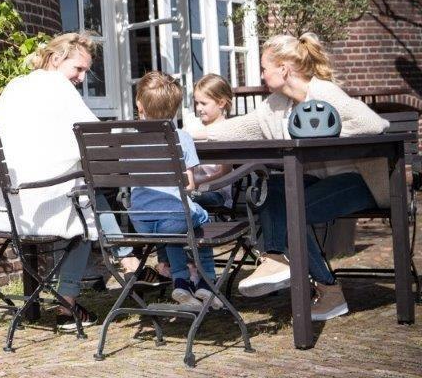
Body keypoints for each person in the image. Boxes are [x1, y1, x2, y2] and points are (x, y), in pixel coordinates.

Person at [190, 33, 389, 320]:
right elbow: (243, 126)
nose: (261, 75)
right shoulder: (276, 104)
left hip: (357, 181)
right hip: (317, 180)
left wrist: (321, 133)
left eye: (264, 68)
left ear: (283, 69)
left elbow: (373, 124)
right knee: (272, 188)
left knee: (292, 210)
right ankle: (276, 259)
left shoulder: (324, 93)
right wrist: (193, 134)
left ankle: (328, 291)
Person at [0, 32, 136, 329]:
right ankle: (73, 300)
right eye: (79, 68)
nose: (82, 78)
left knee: (82, 196)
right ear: (57, 58)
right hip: (42, 204)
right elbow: (94, 136)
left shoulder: (14, 86)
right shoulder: (58, 87)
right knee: (86, 204)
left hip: (7, 207)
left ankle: (126, 261)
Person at [129, 71, 222, 310]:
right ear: (175, 109)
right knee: (198, 219)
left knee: (173, 228)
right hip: (174, 219)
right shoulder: (181, 137)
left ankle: (181, 281)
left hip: (140, 222)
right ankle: (207, 281)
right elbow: (188, 184)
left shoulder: (130, 142)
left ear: (140, 106)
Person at [190, 74, 235, 210]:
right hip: (192, 189)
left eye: (203, 103)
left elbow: (225, 172)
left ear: (221, 103)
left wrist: (196, 183)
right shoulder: (193, 126)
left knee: (184, 197)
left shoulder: (228, 130)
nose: (198, 108)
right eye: (197, 103)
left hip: (216, 192)